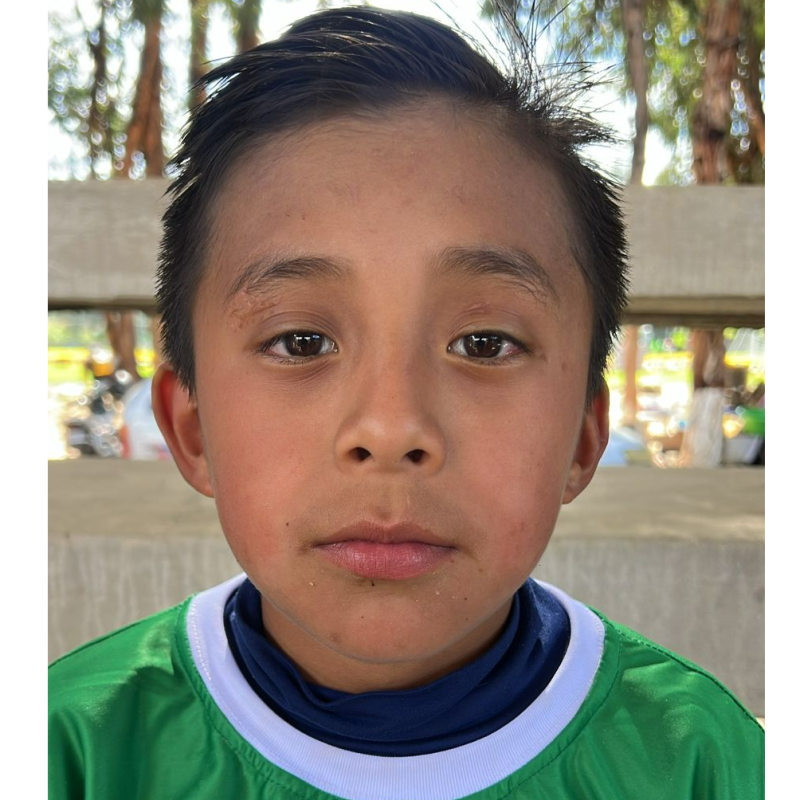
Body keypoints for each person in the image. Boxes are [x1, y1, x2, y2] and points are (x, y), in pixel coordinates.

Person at [47, 6, 764, 798]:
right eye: (301, 342)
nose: (390, 429)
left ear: (584, 438)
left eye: (484, 343)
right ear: (191, 430)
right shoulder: (79, 750)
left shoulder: (700, 762)